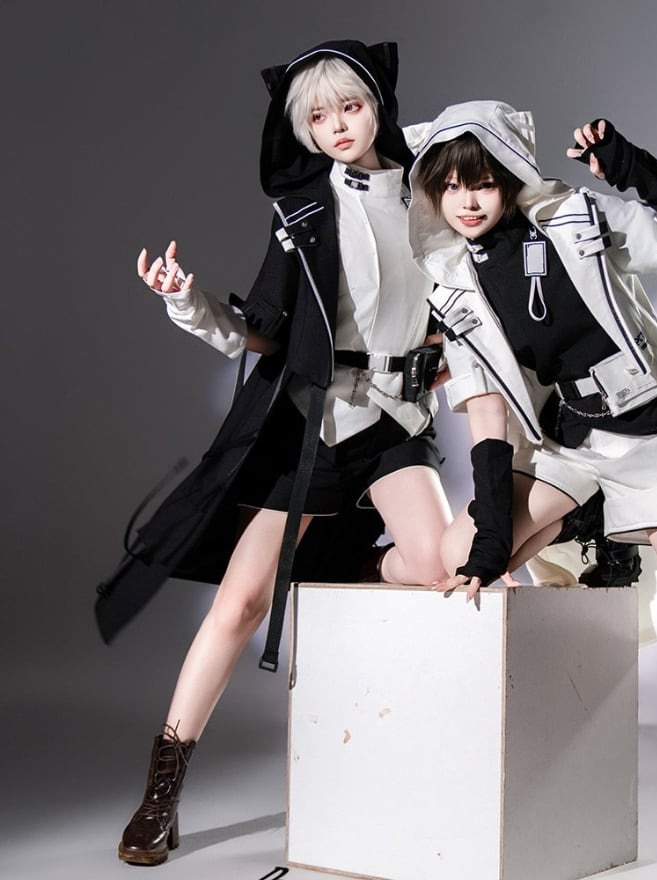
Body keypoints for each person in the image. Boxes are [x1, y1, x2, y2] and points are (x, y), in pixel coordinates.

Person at [407, 101, 657, 880]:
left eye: (481, 182)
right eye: (450, 187)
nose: (466, 201)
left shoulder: (573, 215)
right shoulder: (453, 283)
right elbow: (487, 415)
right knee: (459, 554)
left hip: (652, 439)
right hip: (571, 445)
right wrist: (492, 541)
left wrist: (633, 170)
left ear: (508, 176)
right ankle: (587, 526)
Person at [110, 41, 452, 866]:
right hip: (313, 425)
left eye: (351, 107)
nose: (337, 127)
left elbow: (462, 294)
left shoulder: (434, 194)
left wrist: (446, 352)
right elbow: (261, 330)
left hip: (398, 420)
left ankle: (352, 566)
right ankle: (162, 791)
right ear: (302, 128)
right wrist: (189, 303)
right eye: (318, 116)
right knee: (239, 606)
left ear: (378, 106)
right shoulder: (304, 210)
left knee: (441, 564)